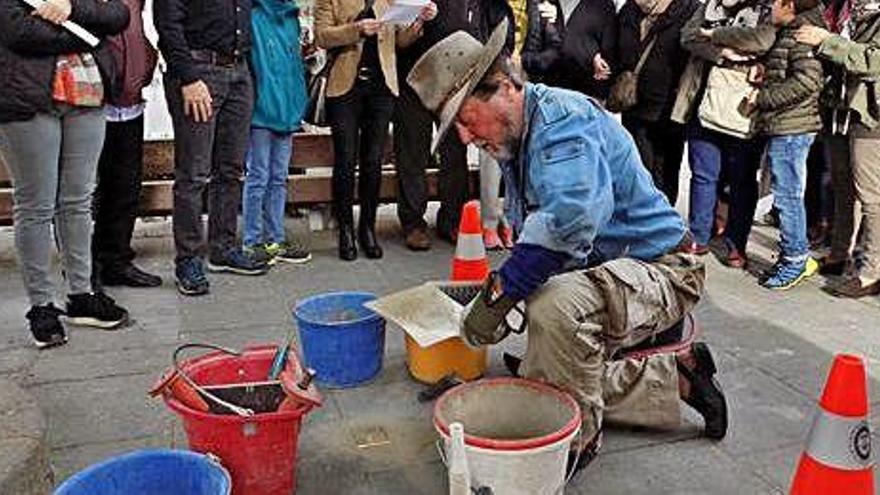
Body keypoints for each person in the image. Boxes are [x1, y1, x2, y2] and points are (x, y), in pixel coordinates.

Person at [407, 20, 728, 470]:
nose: (464, 137)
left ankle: (577, 440)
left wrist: (499, 296)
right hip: (610, 270)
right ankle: (678, 378)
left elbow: (568, 223)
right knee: (544, 368)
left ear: (501, 88)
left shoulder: (562, 121)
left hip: (665, 271)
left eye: (463, 119)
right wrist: (509, 296)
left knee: (554, 313)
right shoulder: (522, 136)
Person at [0, 0, 131, 348]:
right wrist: (87, 34)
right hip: (27, 98)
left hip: (87, 94)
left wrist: (69, 9)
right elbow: (18, 32)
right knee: (36, 205)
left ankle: (81, 294)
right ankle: (41, 305)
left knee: (78, 200)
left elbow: (118, 15)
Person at [155, 0, 270, 297]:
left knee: (231, 169)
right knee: (193, 173)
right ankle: (188, 259)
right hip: (199, 71)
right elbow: (167, 25)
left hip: (239, 70)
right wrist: (189, 78)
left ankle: (223, 247)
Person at [711, 0, 825, 289]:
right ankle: (794, 255)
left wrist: (762, 99)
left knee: (787, 196)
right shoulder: (790, 29)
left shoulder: (802, 32)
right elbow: (788, 71)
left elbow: (808, 81)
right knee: (786, 193)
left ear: (788, 5)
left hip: (793, 127)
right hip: (785, 124)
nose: (770, 6)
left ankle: (796, 258)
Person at [315, 0, 436, 261]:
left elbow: (399, 40)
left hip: (382, 89)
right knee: (346, 161)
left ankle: (367, 229)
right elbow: (321, 36)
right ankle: (345, 230)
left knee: (373, 162)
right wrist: (356, 29)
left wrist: (418, 22)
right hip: (345, 87)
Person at [393, 0, 512, 251]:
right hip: (414, 76)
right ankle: (413, 223)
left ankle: (451, 220)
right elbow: (395, 31)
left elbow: (483, 24)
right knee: (412, 152)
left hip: (455, 80)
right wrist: (420, 20)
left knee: (455, 151)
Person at [673, 0, 775, 267]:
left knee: (741, 179)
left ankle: (736, 243)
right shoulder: (709, 6)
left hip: (746, 108)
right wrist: (722, 54)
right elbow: (688, 36)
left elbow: (763, 40)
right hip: (702, 100)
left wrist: (716, 35)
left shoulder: (766, 9)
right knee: (703, 174)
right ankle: (698, 236)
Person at [796, 0, 880, 297]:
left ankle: (870, 271)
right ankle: (839, 253)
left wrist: (827, 41)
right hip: (838, 110)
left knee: (871, 196)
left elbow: (873, 61)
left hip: (871, 116)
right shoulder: (846, 10)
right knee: (842, 189)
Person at [92, 0, 162, 289]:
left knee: (126, 187)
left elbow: (136, 26)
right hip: (92, 104)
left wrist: (146, 56)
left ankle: (117, 260)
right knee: (86, 193)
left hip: (130, 102)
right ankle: (86, 268)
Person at [242, 0, 311, 265]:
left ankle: (275, 239)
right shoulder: (253, 15)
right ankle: (252, 241)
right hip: (261, 109)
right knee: (258, 175)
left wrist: (297, 102)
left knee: (279, 177)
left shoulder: (292, 18)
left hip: (288, 108)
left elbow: (294, 65)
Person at [617, 0, 698, 205]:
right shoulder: (630, 10)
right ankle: (638, 218)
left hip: (668, 107)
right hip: (633, 103)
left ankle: (662, 220)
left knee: (664, 171)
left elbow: (692, 54)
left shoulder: (689, 10)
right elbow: (616, 45)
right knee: (636, 167)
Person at [521, 0, 618, 100]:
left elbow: (608, 57)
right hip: (545, 94)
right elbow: (530, 50)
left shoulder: (602, 5)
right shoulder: (541, 3)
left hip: (584, 95)